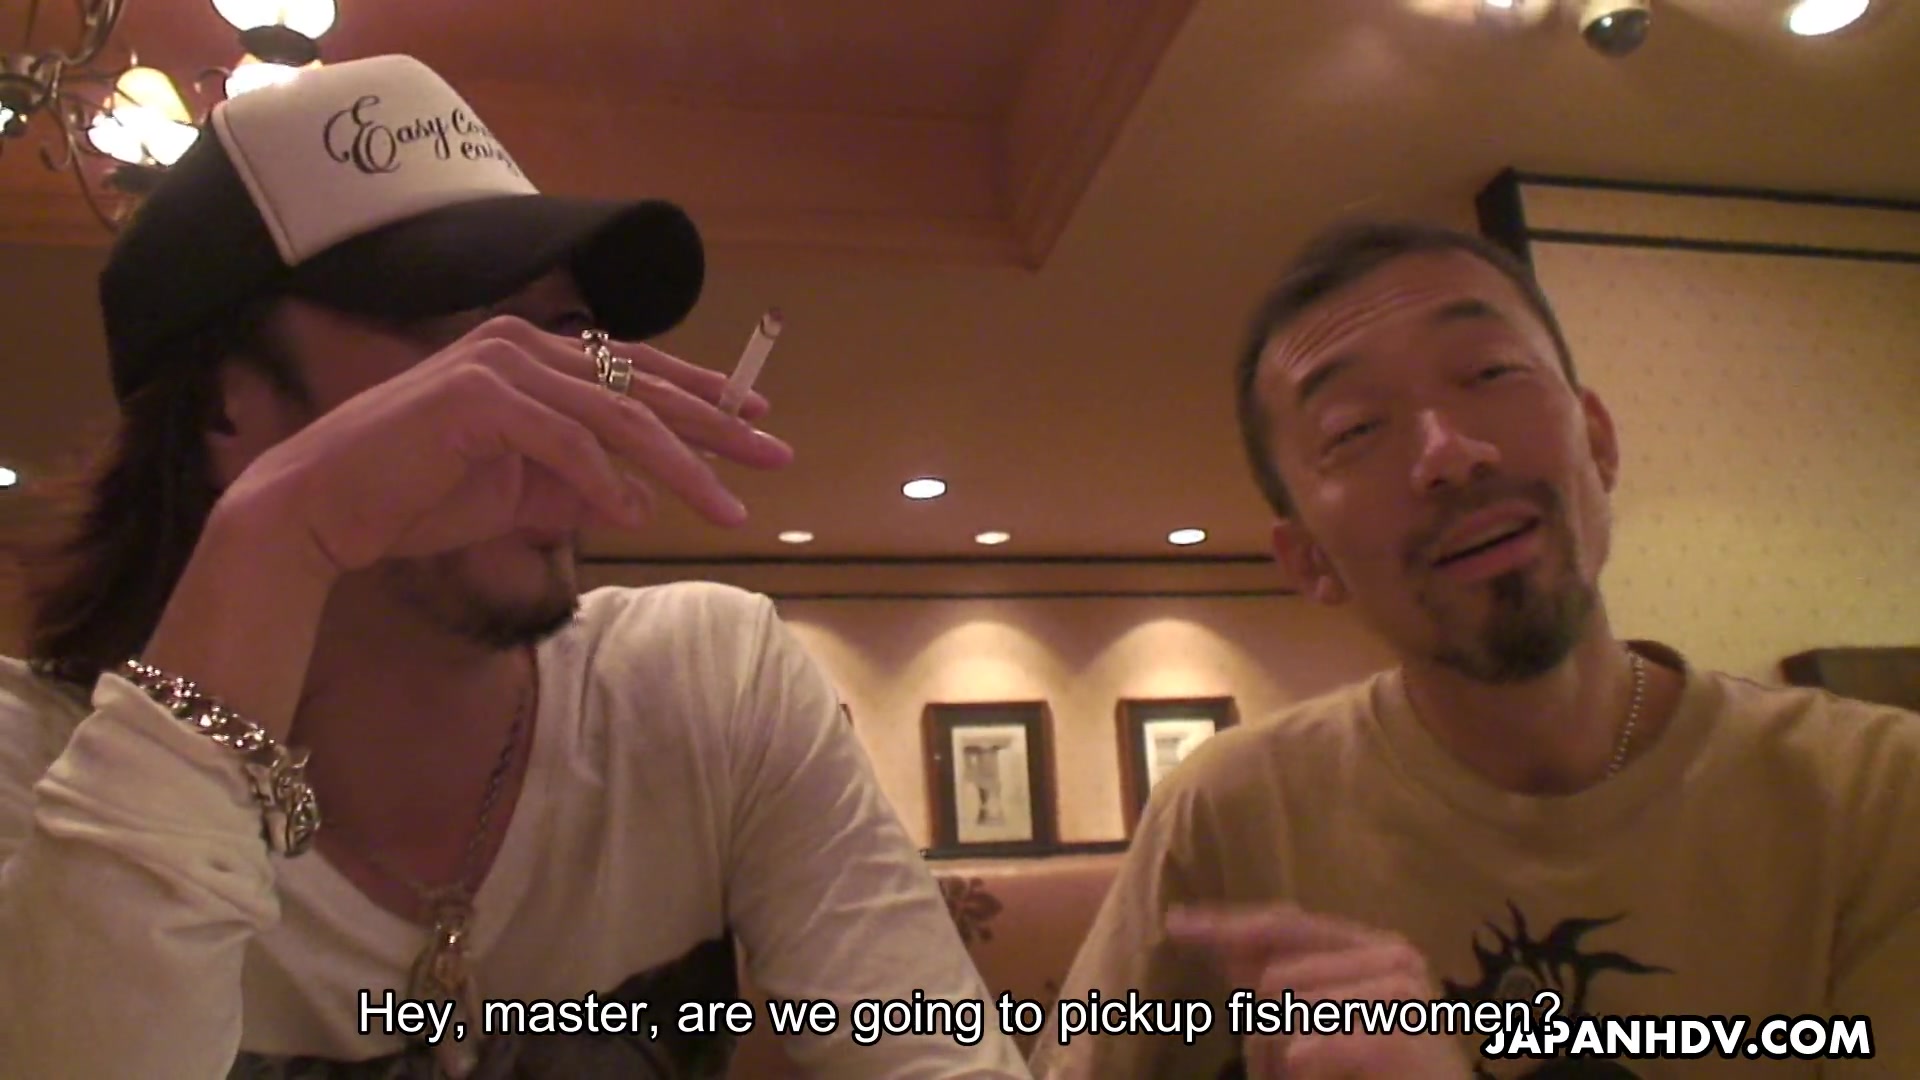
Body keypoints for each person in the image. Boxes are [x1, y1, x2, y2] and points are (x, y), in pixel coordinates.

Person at [0, 54, 1029, 1079]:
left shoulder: (707, 683)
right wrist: (276, 541)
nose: (539, 407)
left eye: (567, 336)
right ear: (228, 409)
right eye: (458, 348)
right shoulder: (37, 771)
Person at [1029, 220, 1919, 1078]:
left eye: (1491, 371)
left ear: (1599, 442)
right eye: (1355, 430)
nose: (1449, 453)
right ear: (1309, 562)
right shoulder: (1230, 815)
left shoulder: (1875, 793)